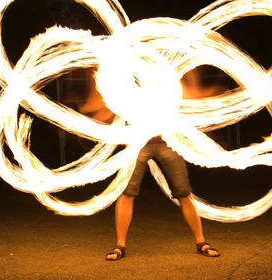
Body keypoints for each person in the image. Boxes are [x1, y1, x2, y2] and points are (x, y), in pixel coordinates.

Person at [77, 67, 225, 261]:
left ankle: (201, 242)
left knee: (184, 192)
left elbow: (188, 96)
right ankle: (120, 245)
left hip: (167, 141)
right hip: (138, 142)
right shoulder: (129, 79)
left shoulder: (166, 77)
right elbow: (108, 106)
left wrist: (211, 97)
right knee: (127, 193)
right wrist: (95, 115)